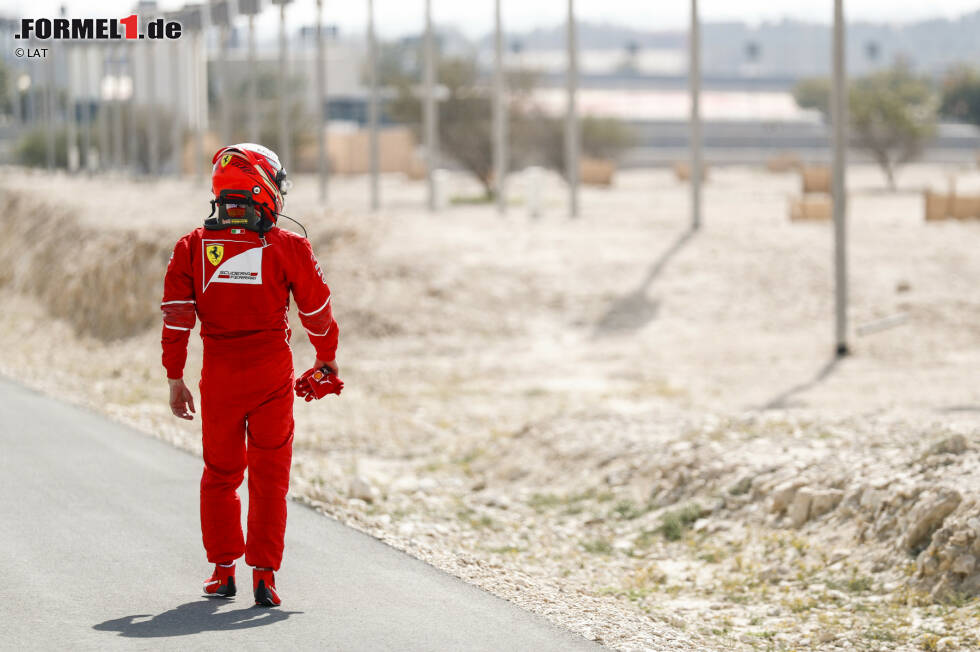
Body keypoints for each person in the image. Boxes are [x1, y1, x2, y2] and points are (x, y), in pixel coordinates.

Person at [160, 143, 339, 607]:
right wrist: (326, 359)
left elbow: (176, 318)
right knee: (269, 475)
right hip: (271, 377)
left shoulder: (191, 247)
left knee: (220, 474)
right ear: (264, 187)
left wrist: (174, 376)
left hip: (217, 378)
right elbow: (317, 310)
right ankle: (264, 577)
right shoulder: (290, 245)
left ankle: (222, 573)